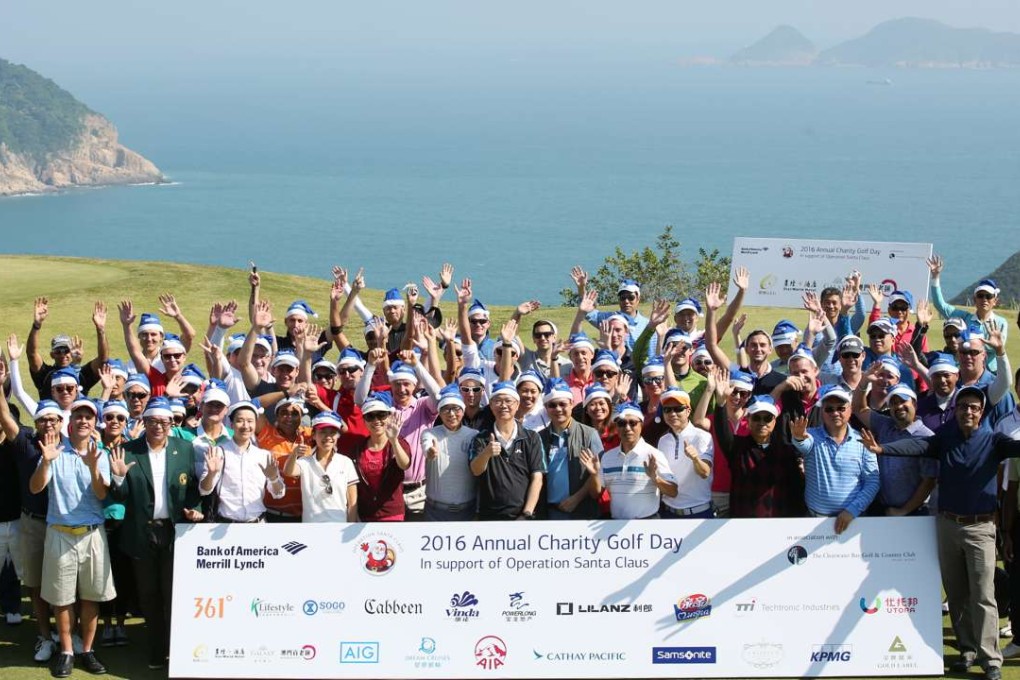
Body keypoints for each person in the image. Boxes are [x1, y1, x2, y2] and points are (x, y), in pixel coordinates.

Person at [862, 386, 1020, 680]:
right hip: (947, 525)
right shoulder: (945, 439)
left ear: (981, 411)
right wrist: (883, 449)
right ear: (957, 410)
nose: (968, 412)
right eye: (963, 407)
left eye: (974, 407)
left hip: (980, 527)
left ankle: (990, 660)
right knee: (957, 593)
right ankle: (967, 650)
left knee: (983, 595)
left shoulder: (995, 441)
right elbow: (917, 446)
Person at [108, 395, 202, 670]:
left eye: (164, 421)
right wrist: (118, 477)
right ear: (144, 422)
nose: (158, 426)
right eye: (152, 421)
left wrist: (194, 508)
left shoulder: (185, 449)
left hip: (174, 534)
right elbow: (120, 496)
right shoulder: (128, 450)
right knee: (149, 596)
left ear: (172, 423)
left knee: (174, 594)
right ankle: (157, 651)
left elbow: (194, 489)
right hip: (141, 534)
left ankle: (178, 651)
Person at [30, 397, 114, 677]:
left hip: (92, 534)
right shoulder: (55, 451)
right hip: (60, 533)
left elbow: (102, 494)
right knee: (62, 599)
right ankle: (66, 651)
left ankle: (87, 650)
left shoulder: (100, 454)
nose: (83, 421)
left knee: (91, 597)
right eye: (78, 416)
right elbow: (35, 488)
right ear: (70, 422)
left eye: (88, 417)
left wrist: (92, 467)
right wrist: (45, 461)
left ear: (94, 424)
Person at [0, 390, 62, 662]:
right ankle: (45, 637)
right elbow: (4, 415)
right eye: (43, 420)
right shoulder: (26, 443)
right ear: (35, 423)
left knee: (63, 587)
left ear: (61, 421)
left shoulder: (73, 445)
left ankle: (65, 636)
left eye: (53, 419)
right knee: (36, 585)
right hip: (33, 524)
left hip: (63, 526)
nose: (48, 424)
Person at [791, 385, 879, 534]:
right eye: (829, 409)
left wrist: (852, 511)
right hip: (814, 520)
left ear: (850, 410)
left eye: (841, 408)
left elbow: (872, 481)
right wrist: (798, 438)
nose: (835, 413)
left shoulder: (863, 440)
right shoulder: (811, 435)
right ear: (822, 412)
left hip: (854, 520)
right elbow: (804, 445)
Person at [712, 393, 805, 518]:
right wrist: (720, 403)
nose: (762, 422)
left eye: (767, 418)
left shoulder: (787, 451)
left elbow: (796, 490)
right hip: (743, 524)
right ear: (748, 420)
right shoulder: (737, 447)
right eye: (756, 418)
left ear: (774, 422)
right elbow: (721, 430)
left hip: (779, 525)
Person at [580, 401, 676, 519]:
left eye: (633, 423)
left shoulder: (654, 455)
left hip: (647, 525)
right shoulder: (608, 457)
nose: (627, 428)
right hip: (616, 525)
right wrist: (594, 475)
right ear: (616, 428)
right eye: (621, 423)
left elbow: (673, 492)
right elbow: (595, 494)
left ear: (641, 425)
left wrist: (656, 478)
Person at [852, 382, 936, 516]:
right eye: (893, 403)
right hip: (881, 509)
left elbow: (929, 481)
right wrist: (865, 380)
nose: (899, 406)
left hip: (913, 513)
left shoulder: (927, 436)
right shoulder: (885, 424)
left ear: (914, 404)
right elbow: (858, 408)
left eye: (903, 401)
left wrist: (904, 510)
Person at [198, 400, 286, 522]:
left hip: (257, 525)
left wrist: (273, 478)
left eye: (250, 421)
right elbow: (204, 490)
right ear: (231, 424)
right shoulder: (218, 452)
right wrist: (211, 474)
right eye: (240, 421)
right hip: (225, 524)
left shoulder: (264, 455)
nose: (245, 426)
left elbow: (279, 494)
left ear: (255, 424)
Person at [470, 381, 545, 520]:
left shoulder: (531, 438)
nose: (503, 405)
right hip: (489, 518)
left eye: (508, 401)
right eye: (497, 401)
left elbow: (537, 478)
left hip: (524, 518)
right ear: (491, 406)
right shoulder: (480, 438)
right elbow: (475, 470)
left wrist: (526, 513)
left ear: (517, 405)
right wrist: (486, 453)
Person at [928, 255, 1008, 373]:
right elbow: (940, 305)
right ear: (975, 300)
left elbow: (997, 348)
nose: (984, 299)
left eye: (988, 296)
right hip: (967, 371)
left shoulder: (1001, 322)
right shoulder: (965, 318)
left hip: (991, 374)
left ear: (995, 301)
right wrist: (935, 277)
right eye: (980, 296)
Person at [539, 378, 603, 520]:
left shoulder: (589, 434)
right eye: (552, 405)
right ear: (546, 407)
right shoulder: (539, 438)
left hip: (582, 512)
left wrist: (577, 498)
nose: (558, 409)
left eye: (563, 404)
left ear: (571, 404)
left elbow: (599, 475)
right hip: (548, 512)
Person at [27, 299, 110, 401]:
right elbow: (31, 354)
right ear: (52, 355)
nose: (63, 355)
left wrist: (101, 330)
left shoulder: (82, 374)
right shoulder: (45, 374)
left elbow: (103, 360)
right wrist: (37, 325)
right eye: (58, 351)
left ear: (72, 352)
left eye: (66, 350)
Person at [283, 411, 358, 523]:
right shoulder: (304, 462)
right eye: (322, 432)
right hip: (311, 529)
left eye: (332, 432)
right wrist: (294, 454)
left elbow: (352, 502)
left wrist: (351, 527)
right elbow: (288, 472)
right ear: (313, 435)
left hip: (339, 527)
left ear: (338, 436)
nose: (328, 437)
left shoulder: (346, 462)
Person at [346, 392, 411, 522]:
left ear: (389, 416)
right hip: (366, 514)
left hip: (392, 513)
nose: (376, 421)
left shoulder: (399, 442)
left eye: (381, 415)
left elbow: (404, 464)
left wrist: (394, 441)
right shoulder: (357, 448)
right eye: (370, 416)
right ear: (364, 420)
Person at [421, 386, 479, 521]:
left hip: (467, 511)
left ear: (463, 411)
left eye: (456, 408)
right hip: (435, 512)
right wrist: (430, 452)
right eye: (446, 409)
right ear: (439, 413)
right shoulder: (430, 433)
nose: (451, 414)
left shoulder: (473, 435)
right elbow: (427, 446)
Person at [656, 388, 714, 518]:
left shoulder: (702, 436)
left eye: (678, 409)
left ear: (688, 411)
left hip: (698, 513)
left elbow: (705, 472)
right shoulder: (663, 440)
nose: (672, 413)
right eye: (667, 409)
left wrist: (695, 459)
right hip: (668, 512)